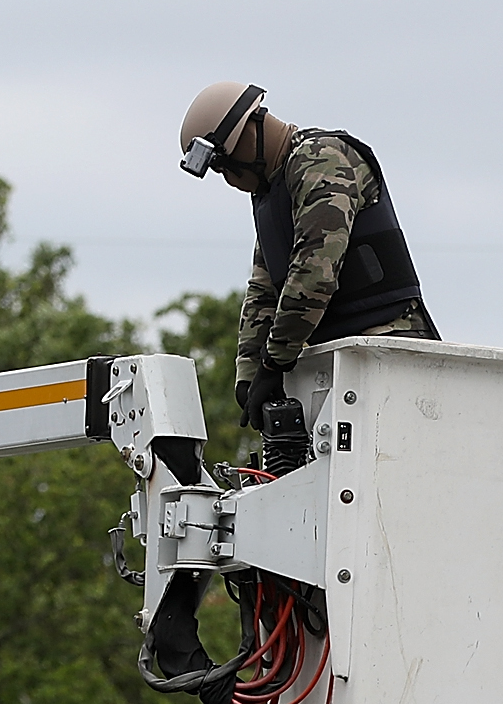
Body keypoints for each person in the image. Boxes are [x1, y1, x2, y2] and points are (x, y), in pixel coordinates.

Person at [176, 81, 438, 466]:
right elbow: (264, 289)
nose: (230, 180)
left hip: (388, 348)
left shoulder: (322, 159)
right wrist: (249, 373)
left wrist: (273, 363)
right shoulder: (272, 194)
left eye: (227, 166)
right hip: (337, 363)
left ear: (251, 133)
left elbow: (315, 273)